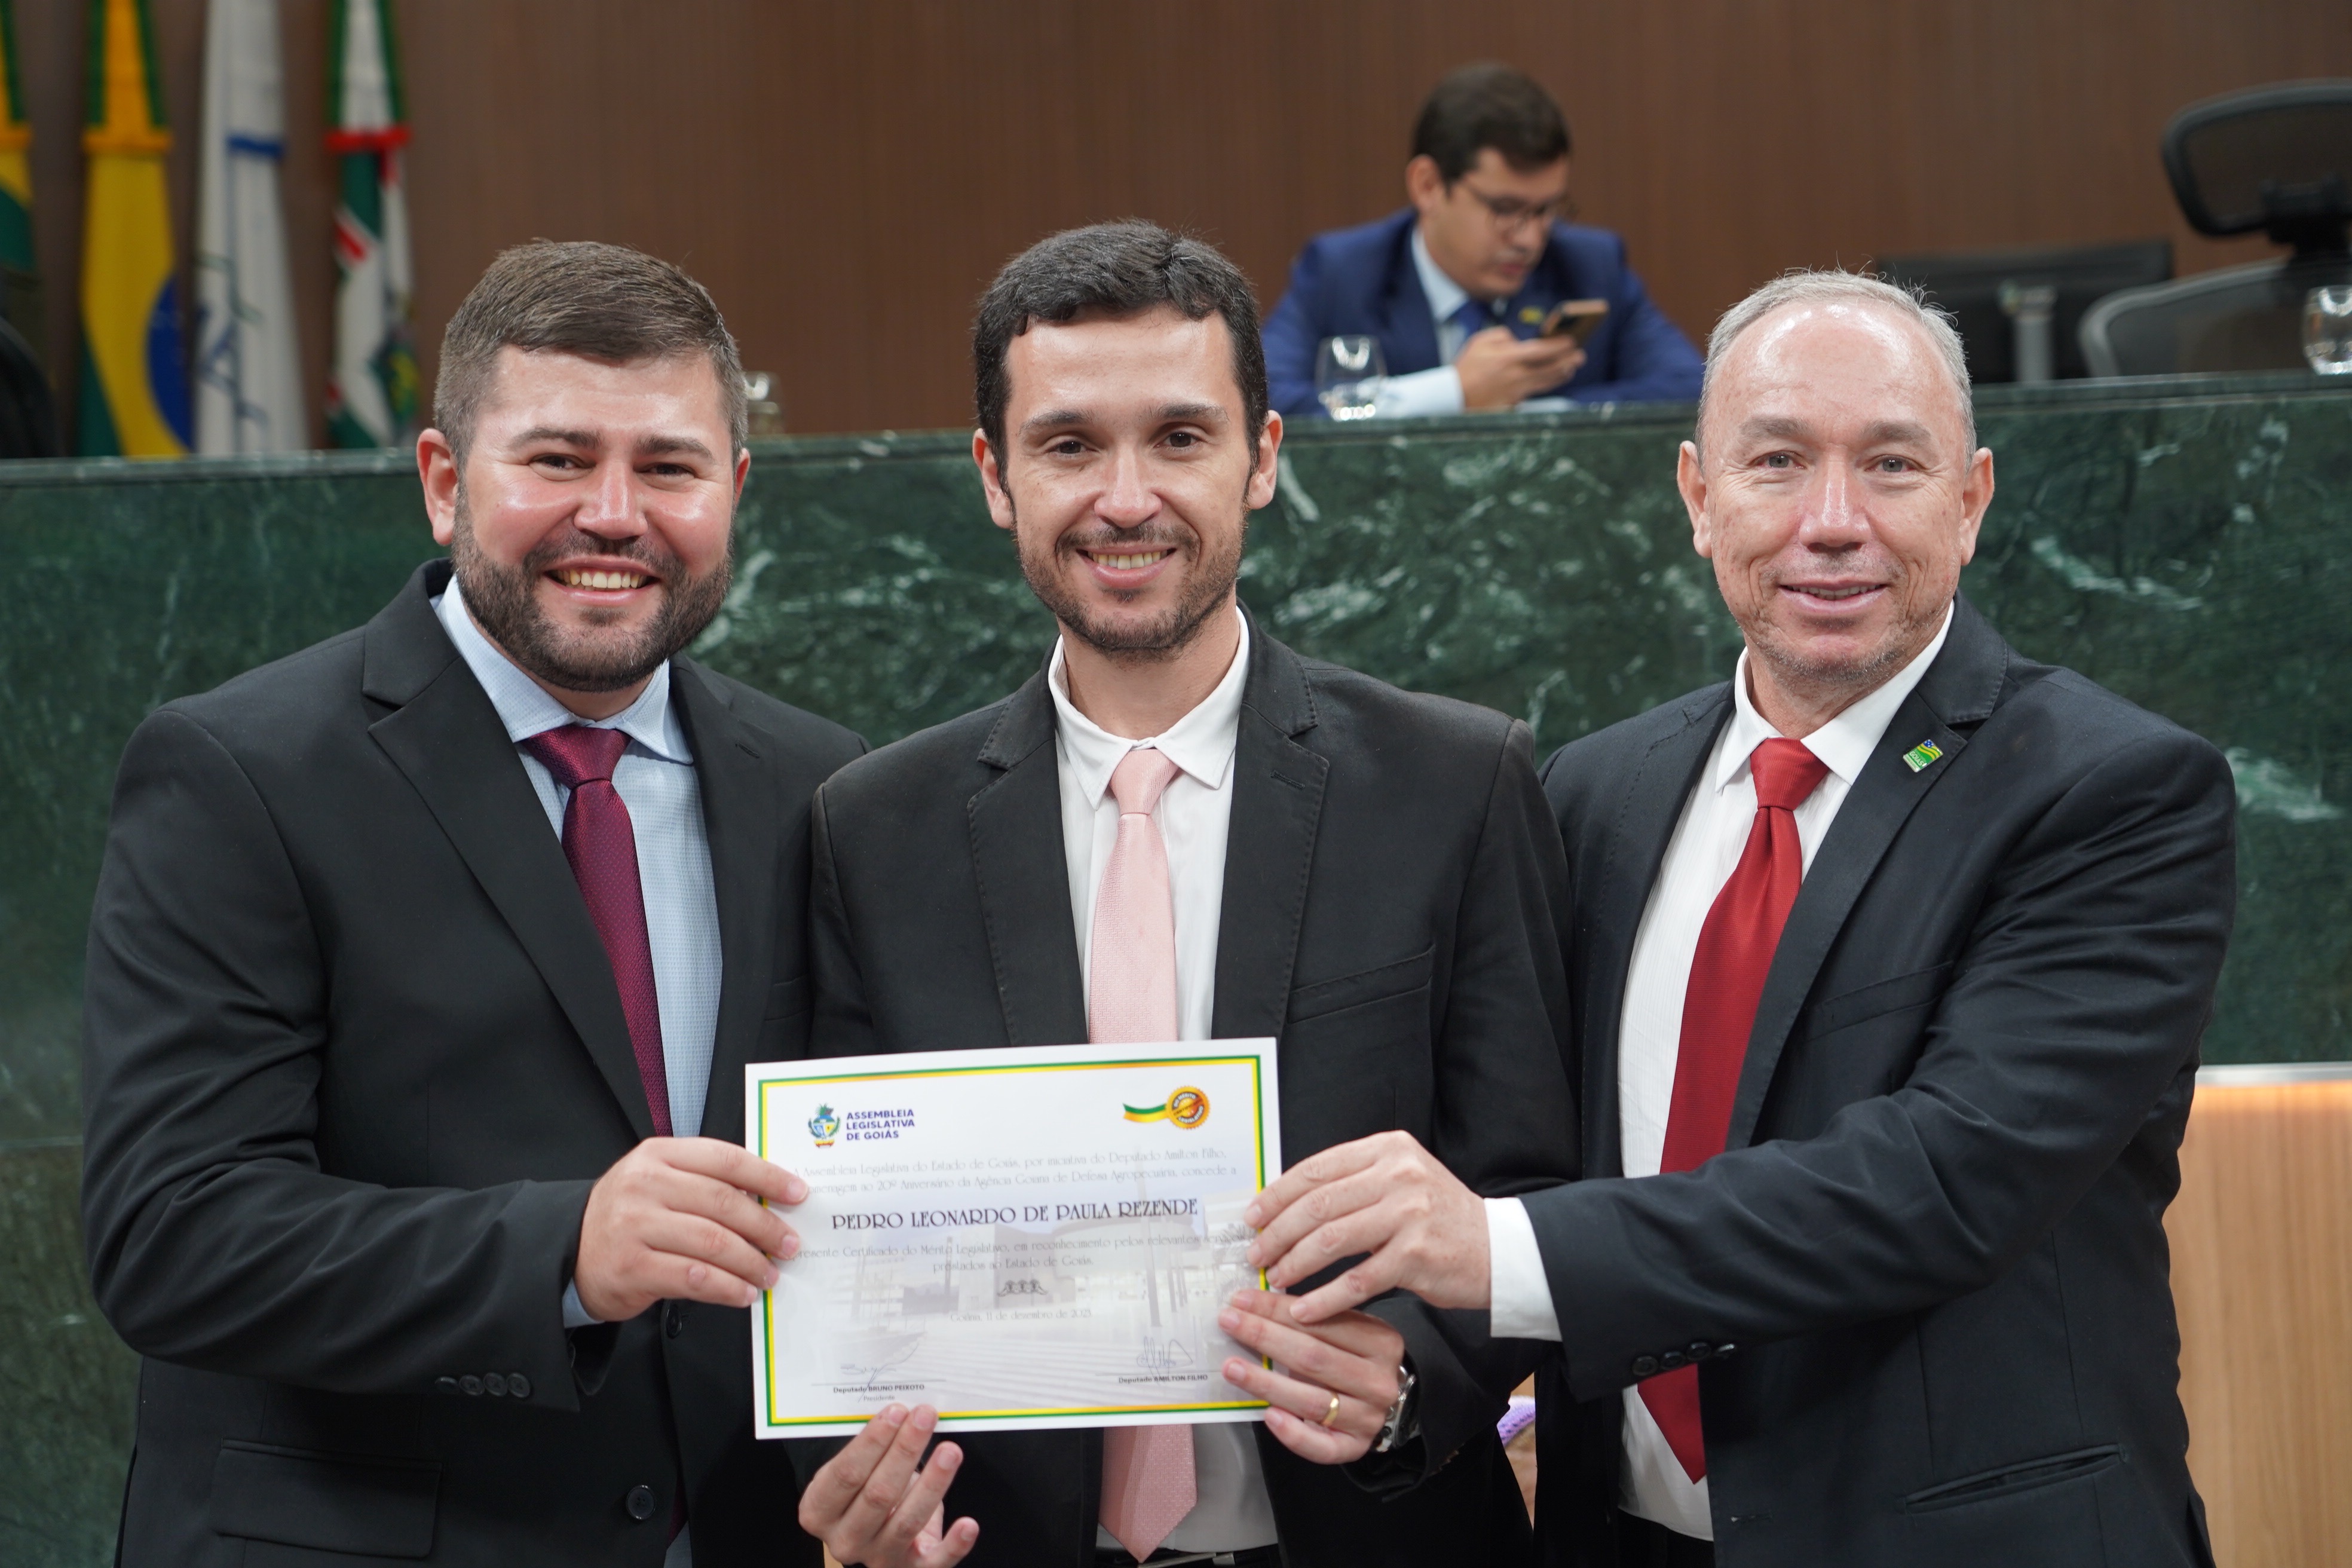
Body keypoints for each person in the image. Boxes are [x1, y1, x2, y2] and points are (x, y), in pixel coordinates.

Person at [1239, 271, 2237, 1566]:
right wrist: (1413, 1365)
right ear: (1699, 499)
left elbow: (1941, 1180)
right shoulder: (1592, 792)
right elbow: (1529, 1153)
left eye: (1892, 464)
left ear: (1973, 500)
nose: (1833, 522)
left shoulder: (2113, 792)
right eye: (1777, 463)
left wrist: (1491, 1247)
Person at [789, 221, 1576, 1568]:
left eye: (1179, 437)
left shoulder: (1456, 781)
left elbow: (1532, 1184)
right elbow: (842, 1235)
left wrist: (1412, 1380)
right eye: (1068, 444)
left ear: (1262, 457)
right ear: (994, 476)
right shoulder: (872, 828)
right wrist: (860, 1476)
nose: (1126, 497)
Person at [79, 241, 862, 1567]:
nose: (613, 514)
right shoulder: (238, 772)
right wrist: (563, 1249)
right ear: (445, 482)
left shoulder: (825, 784)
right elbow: (174, 1231)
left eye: (668, 467)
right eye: (558, 459)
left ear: (732, 490)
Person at [1261, 63, 1702, 421]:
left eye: (1546, 210)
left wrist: (1526, 411)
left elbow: (1690, 390)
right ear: (1429, 186)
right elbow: (1264, 407)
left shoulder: (1590, 266)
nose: (1530, 239)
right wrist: (1454, 392)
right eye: (1506, 209)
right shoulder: (1341, 273)